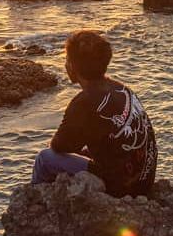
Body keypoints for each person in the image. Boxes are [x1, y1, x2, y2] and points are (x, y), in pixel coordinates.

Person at [32, 30, 157, 196]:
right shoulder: (121, 89)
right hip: (144, 181)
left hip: (121, 187)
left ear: (73, 66)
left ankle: (35, 202)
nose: (65, 64)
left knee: (45, 158)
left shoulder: (84, 102)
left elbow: (59, 146)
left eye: (67, 59)